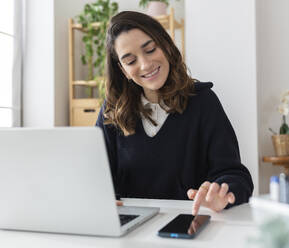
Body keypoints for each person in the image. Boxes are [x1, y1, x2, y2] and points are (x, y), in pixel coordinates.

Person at [96, 11, 254, 215]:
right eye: (130, 61)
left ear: (166, 46)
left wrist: (221, 193)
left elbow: (235, 175)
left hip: (188, 224)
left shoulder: (203, 102)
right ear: (122, 70)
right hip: (130, 229)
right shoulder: (112, 111)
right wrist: (100, 199)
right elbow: (95, 176)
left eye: (150, 49)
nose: (145, 64)